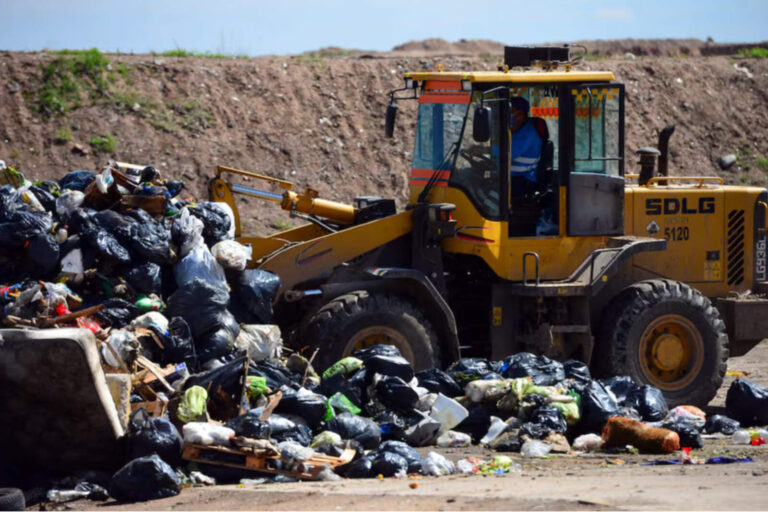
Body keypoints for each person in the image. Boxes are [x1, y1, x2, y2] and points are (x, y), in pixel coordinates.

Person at [508, 97, 544, 199]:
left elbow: (508, 152)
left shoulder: (528, 133)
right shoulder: (515, 132)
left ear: (521, 114)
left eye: (512, 113)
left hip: (522, 181)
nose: (509, 117)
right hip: (512, 178)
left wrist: (484, 150)